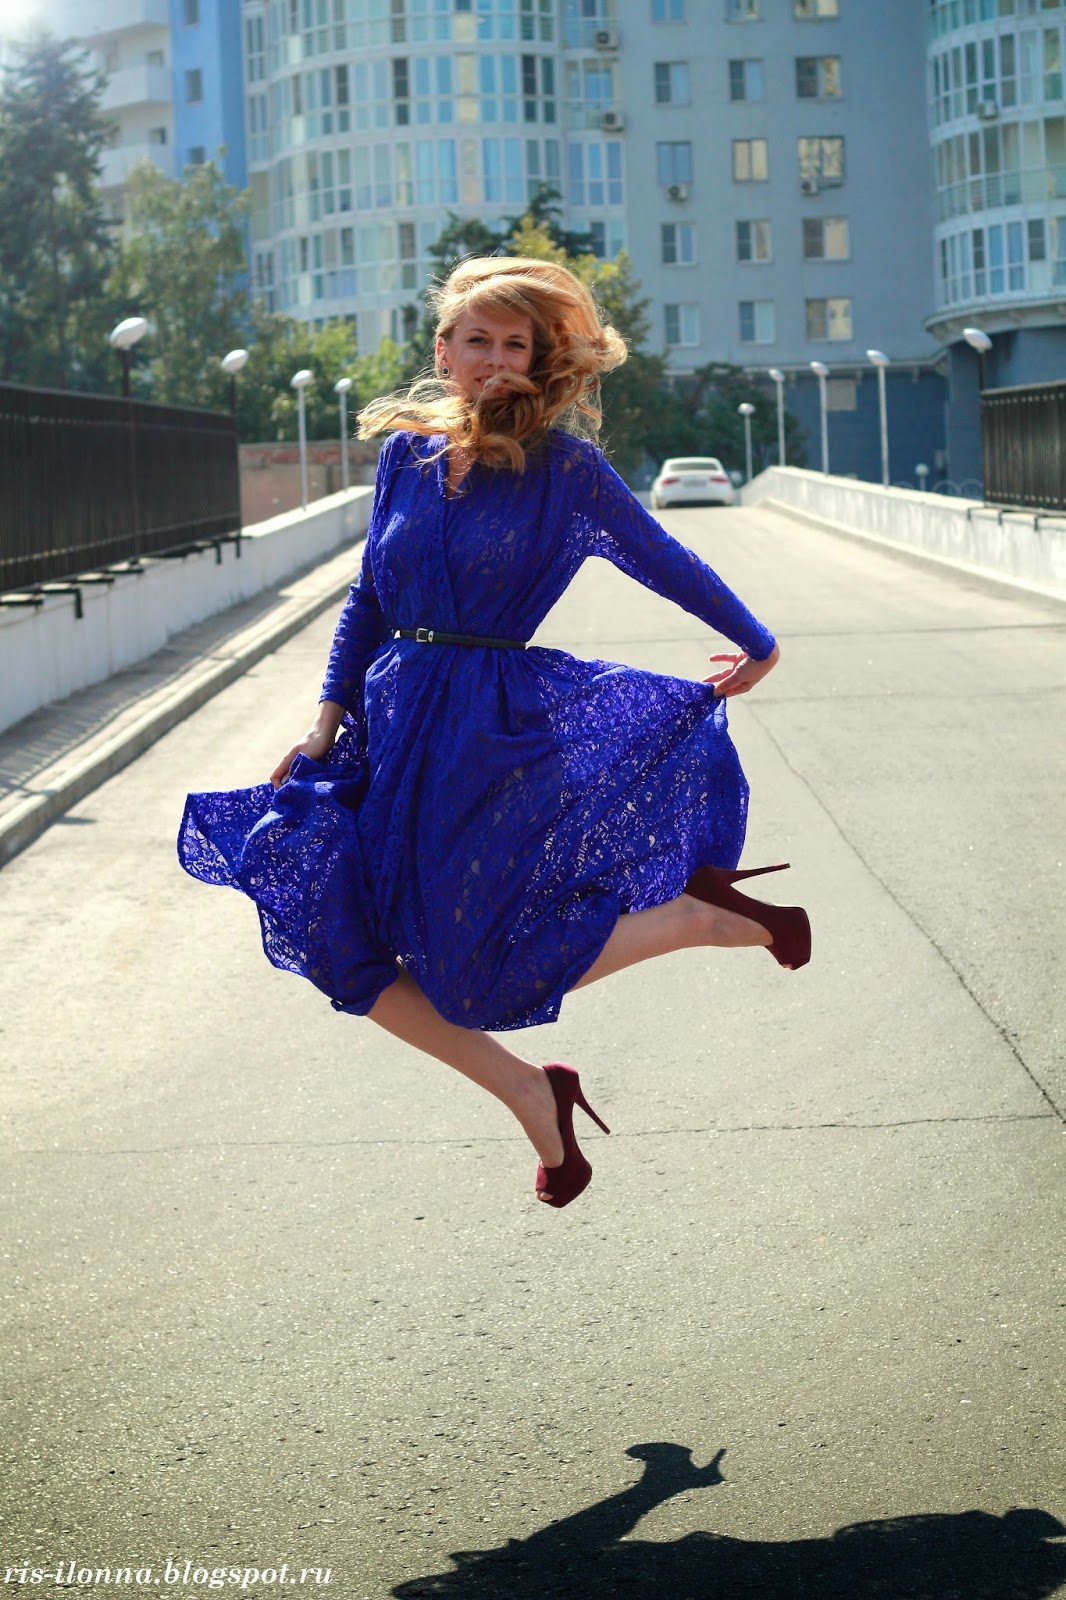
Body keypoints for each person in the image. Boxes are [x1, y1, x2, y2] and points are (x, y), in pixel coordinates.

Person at [178, 256, 810, 1209]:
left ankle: (697, 919)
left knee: (471, 978)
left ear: (537, 361)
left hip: (490, 737)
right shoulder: (406, 457)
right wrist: (324, 723)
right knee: (331, 927)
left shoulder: (566, 467)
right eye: (479, 340)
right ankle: (529, 1091)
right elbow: (368, 600)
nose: (496, 359)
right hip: (390, 727)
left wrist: (757, 642)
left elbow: (660, 555)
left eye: (517, 345)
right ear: (444, 351)